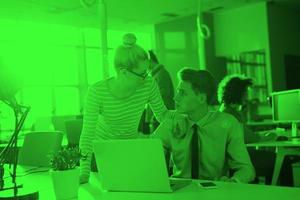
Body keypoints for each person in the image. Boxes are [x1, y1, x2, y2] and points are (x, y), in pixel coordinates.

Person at [79, 33, 170, 184]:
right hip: (100, 156)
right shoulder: (97, 91)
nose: (146, 77)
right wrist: (84, 173)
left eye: (147, 71)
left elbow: (162, 114)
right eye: (142, 73)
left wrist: (183, 117)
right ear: (124, 72)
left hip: (129, 153)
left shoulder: (148, 84)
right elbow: (87, 134)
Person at [152, 68, 255, 183]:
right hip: (180, 192)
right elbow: (147, 156)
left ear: (201, 98)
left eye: (183, 93)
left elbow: (246, 169)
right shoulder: (171, 122)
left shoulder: (228, 124)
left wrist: (234, 181)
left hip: (214, 192)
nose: (175, 98)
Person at [139, 50, 175, 134]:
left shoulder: (161, 74)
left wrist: (154, 119)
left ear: (149, 61)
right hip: (157, 119)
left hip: (159, 120)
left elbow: (164, 97)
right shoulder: (157, 75)